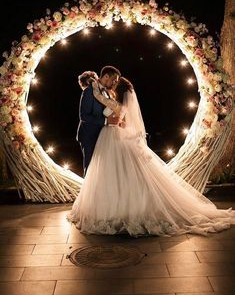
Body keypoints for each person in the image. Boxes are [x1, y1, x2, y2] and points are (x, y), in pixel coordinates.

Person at [68, 76, 235, 237]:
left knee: (110, 171)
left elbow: (106, 106)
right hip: (111, 136)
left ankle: (114, 206)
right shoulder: (117, 100)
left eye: (114, 82)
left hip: (112, 136)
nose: (112, 84)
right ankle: (117, 203)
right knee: (113, 171)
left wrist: (96, 90)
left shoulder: (113, 101)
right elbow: (117, 116)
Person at [76, 66, 121, 175]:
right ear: (106, 76)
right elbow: (84, 116)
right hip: (89, 135)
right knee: (91, 167)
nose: (114, 83)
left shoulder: (106, 93)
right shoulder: (89, 91)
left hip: (102, 136)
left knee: (101, 169)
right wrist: (106, 122)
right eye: (113, 80)